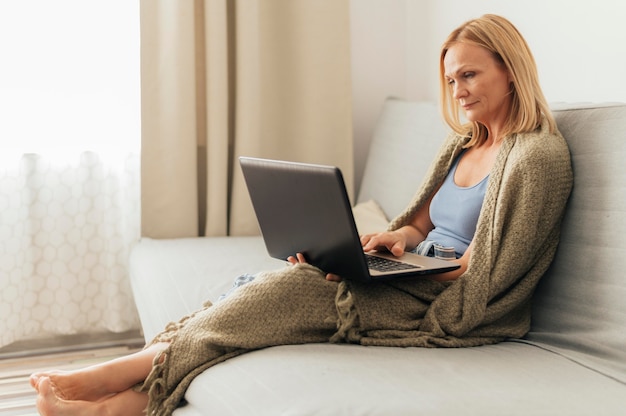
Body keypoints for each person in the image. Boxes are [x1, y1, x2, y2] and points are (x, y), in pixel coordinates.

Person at [30, 14, 573, 416]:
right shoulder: (463, 145)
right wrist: (389, 243)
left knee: (277, 296)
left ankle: (103, 386)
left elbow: (487, 274)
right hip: (416, 275)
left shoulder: (536, 156)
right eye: (452, 80)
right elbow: (420, 226)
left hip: (447, 298)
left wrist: (412, 268)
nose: (459, 92)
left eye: (470, 76)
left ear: (510, 69)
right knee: (270, 287)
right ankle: (116, 405)